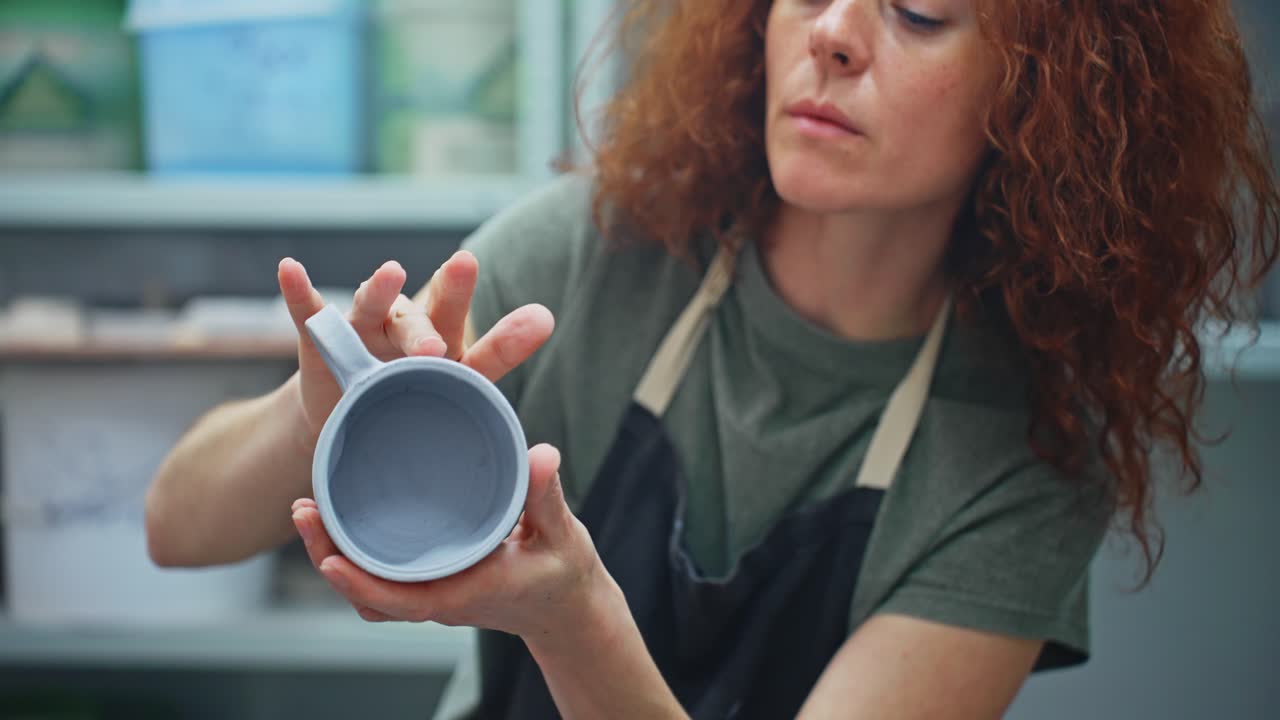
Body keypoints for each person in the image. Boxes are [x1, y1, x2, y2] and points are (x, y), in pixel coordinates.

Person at [146, 1, 1279, 718]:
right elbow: (174, 529)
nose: (832, 31)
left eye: (918, 12)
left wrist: (570, 616)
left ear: (1044, 97)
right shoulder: (596, 251)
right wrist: (321, 413)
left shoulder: (1023, 454)